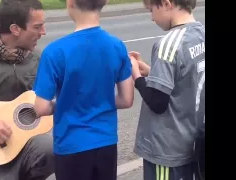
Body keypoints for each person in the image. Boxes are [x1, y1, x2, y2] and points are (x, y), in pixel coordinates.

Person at [31, 0, 134, 179]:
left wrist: (64, 102)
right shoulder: (117, 46)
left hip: (71, 144)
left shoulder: (55, 52)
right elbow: (126, 100)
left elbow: (40, 108)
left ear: (70, 3)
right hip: (106, 141)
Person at [0, 0, 54, 179]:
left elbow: (49, 103)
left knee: (55, 146)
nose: (43, 32)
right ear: (15, 29)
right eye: (37, 27)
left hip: (29, 149)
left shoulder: (38, 59)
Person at [129, 0, 205, 179]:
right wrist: (151, 71)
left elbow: (157, 102)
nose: (151, 18)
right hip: (191, 141)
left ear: (166, 3)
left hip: (167, 149)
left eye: (151, 10)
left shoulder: (168, 44)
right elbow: (187, 76)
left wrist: (136, 76)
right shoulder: (201, 34)